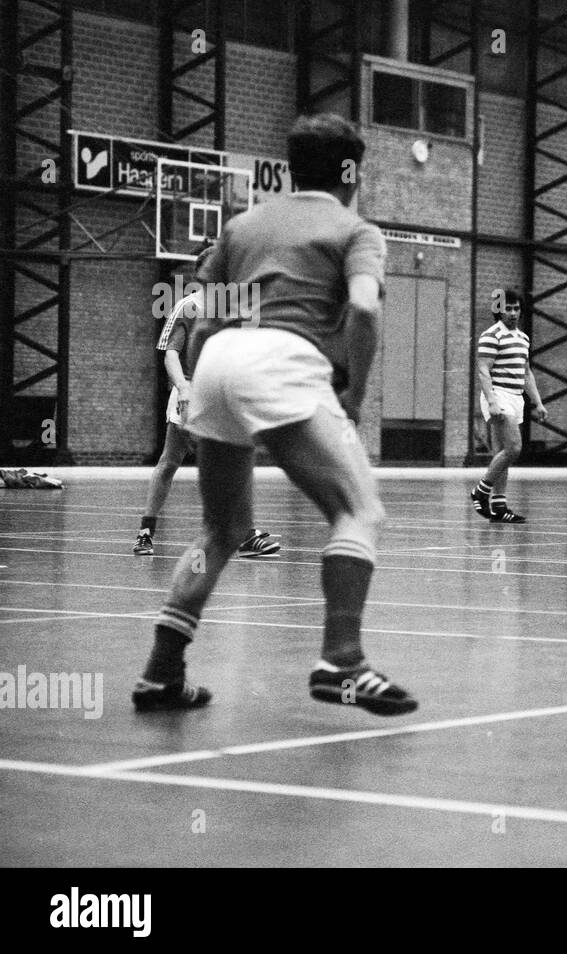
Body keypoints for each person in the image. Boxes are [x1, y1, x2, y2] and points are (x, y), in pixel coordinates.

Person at [131, 113, 416, 716]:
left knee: (223, 529)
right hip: (282, 360)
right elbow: (364, 311)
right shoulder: (357, 230)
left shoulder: (242, 226)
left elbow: (205, 320)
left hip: (217, 362)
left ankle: (161, 671)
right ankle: (342, 661)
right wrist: (356, 397)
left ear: (293, 169)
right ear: (351, 171)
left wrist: (206, 392)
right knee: (358, 510)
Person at [133, 248, 280, 559]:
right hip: (192, 395)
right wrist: (184, 387)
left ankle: (150, 531)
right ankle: (240, 534)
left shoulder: (236, 309)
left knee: (181, 462)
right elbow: (171, 353)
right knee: (182, 462)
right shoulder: (189, 307)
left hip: (223, 396)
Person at [470, 288, 547, 523]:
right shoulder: (492, 335)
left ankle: (499, 506)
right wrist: (492, 400)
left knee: (502, 453)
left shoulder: (523, 338)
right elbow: (483, 369)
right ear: (498, 310)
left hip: (515, 397)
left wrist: (538, 402)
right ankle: (480, 492)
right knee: (514, 448)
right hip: (499, 396)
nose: (513, 313)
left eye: (516, 308)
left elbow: (526, 373)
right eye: (508, 308)